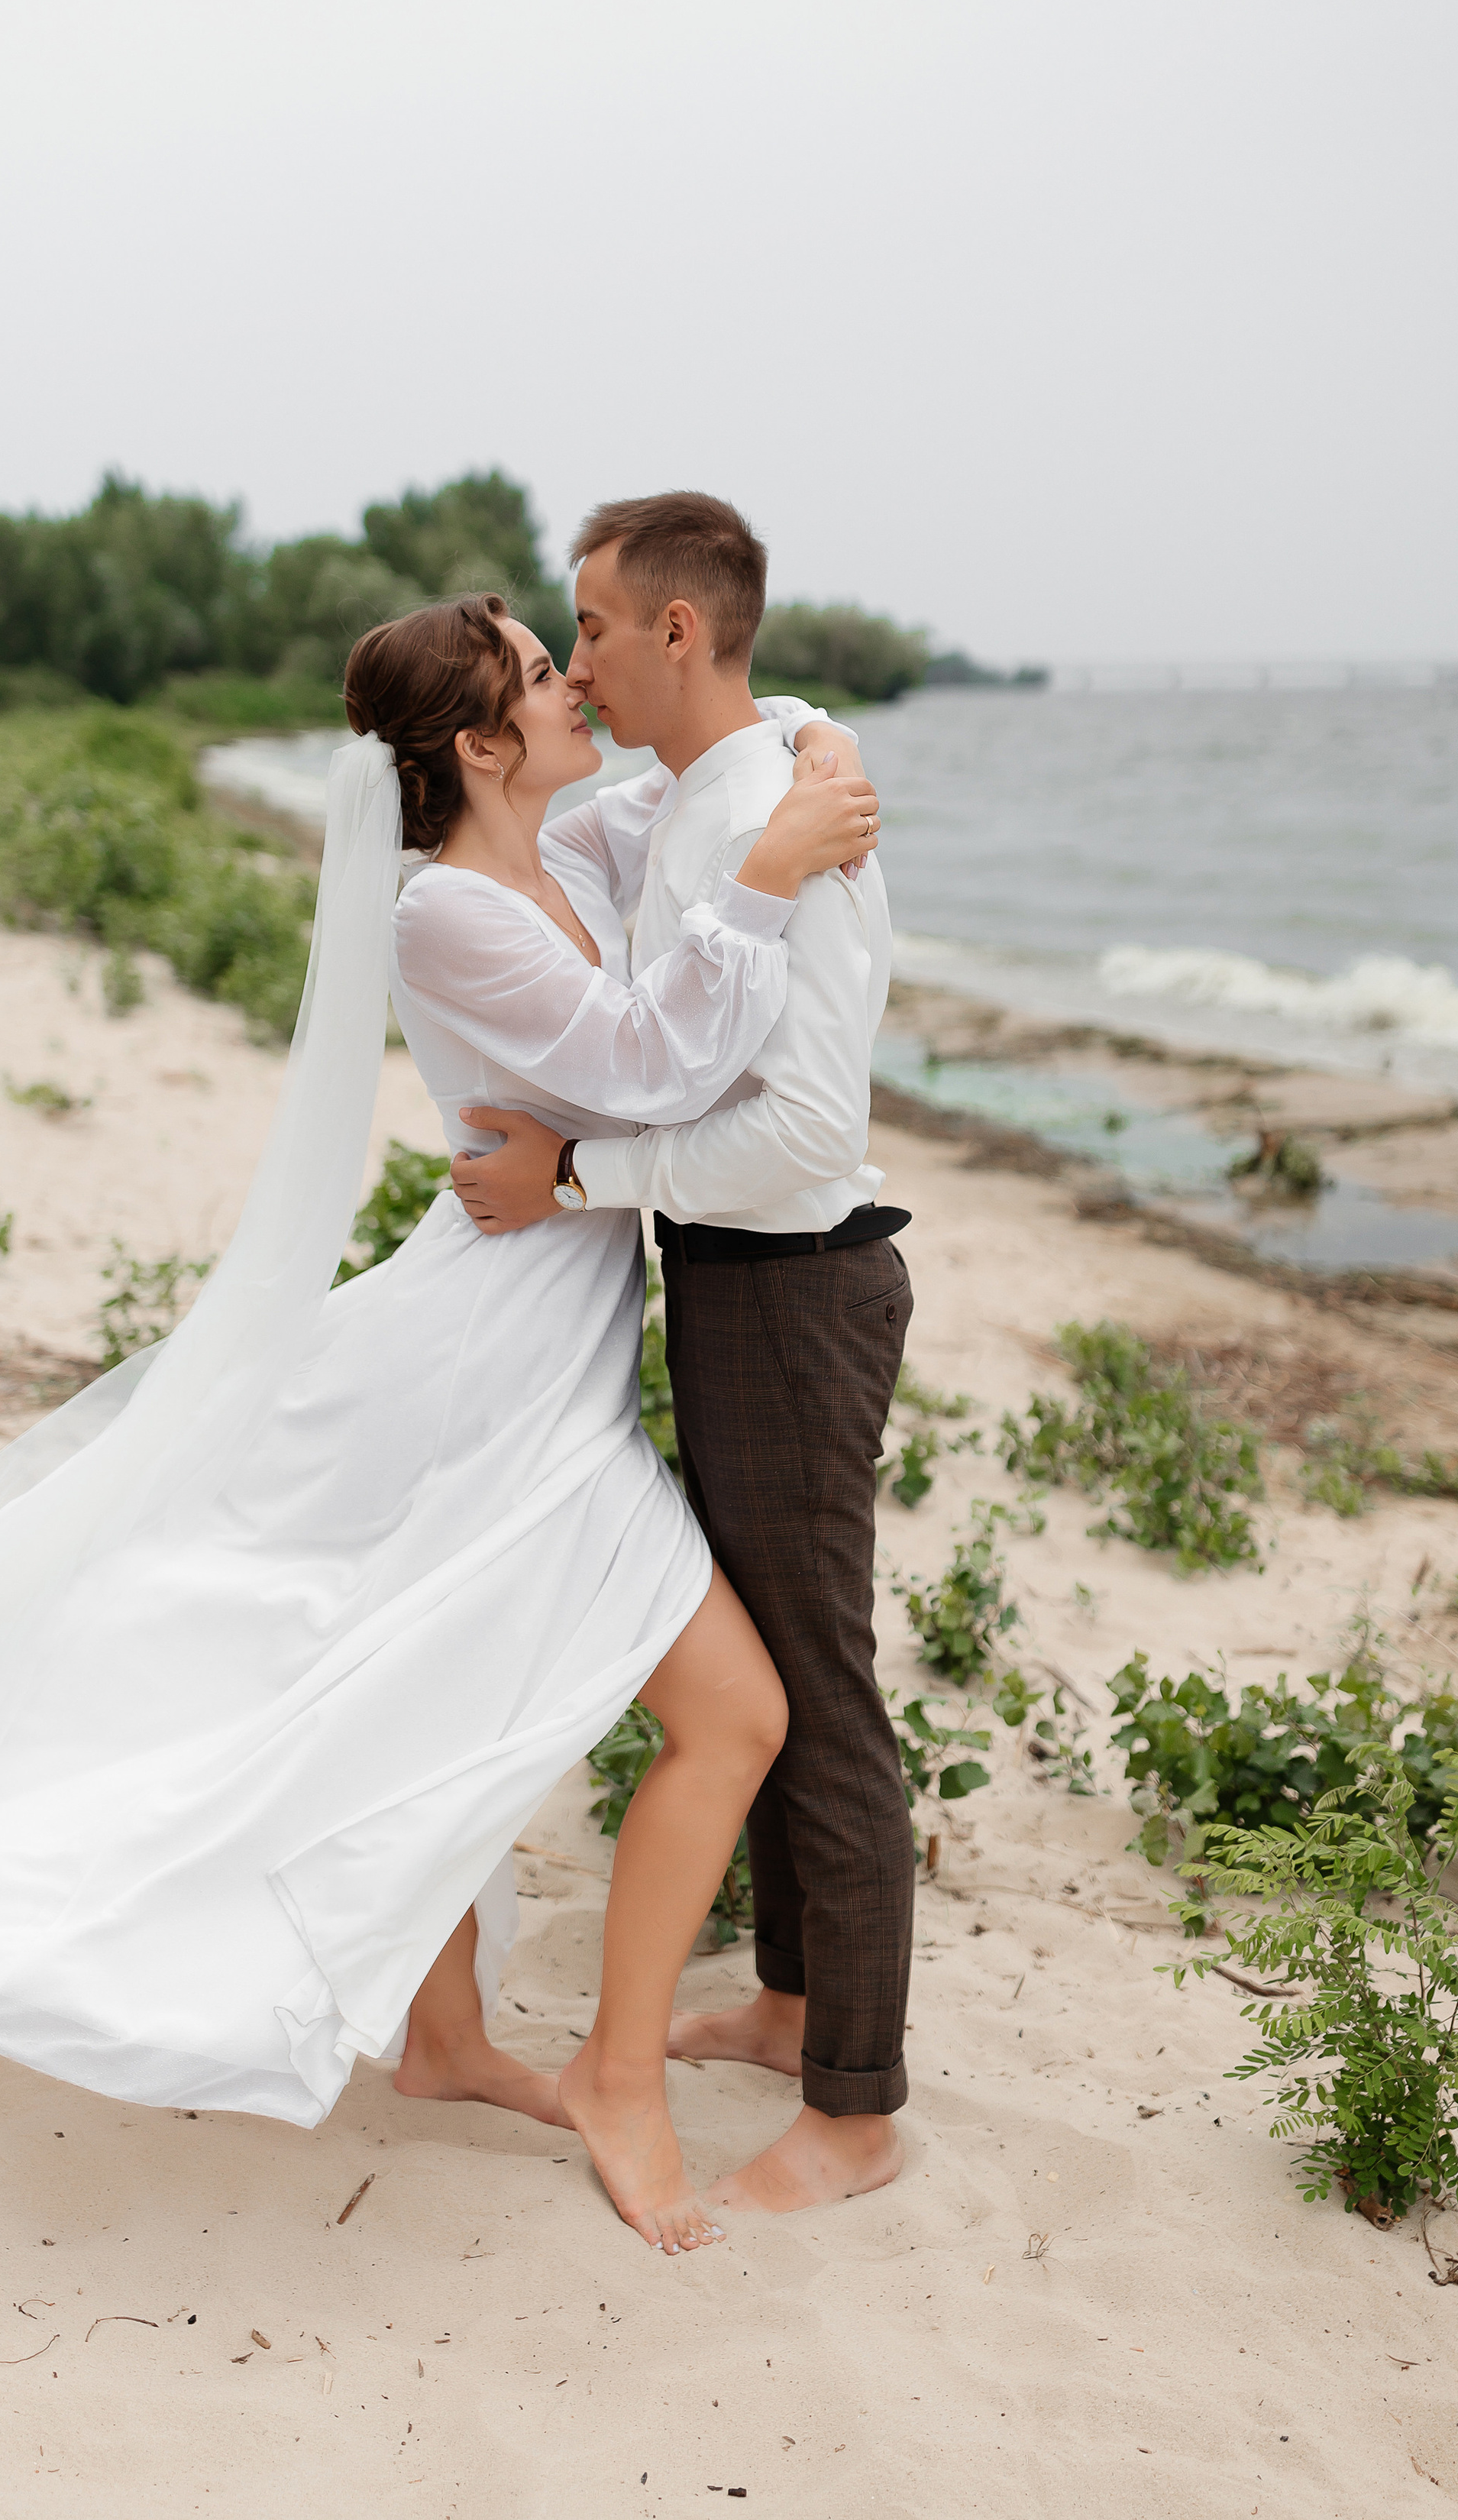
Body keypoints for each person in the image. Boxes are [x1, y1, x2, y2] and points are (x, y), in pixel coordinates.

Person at [0, 590, 878, 2260]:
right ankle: (616, 2082)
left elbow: (707, 747)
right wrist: (770, 875)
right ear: (480, 744)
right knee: (727, 1713)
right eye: (540, 671)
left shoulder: (566, 856)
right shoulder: (446, 916)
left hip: (541, 1355)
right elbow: (650, 1070)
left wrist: (809, 741)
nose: (577, 683)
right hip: (487, 1378)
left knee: (432, 1669)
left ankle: (441, 2041)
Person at [449, 494, 910, 2219]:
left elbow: (797, 1141)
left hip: (792, 1282)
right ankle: (791, 2004)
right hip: (724, 1283)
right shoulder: (715, 790)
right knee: (779, 1667)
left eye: (586, 628)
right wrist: (810, 728)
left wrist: (575, 1173)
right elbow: (704, 776)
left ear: (672, 632)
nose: (572, 659)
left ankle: (856, 2107)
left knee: (817, 1690)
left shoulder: (779, 824)